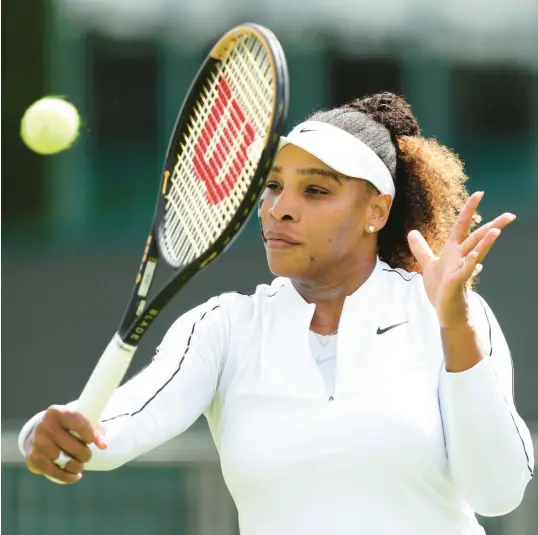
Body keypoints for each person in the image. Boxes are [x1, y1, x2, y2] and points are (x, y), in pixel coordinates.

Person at [19, 92, 534, 535]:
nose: (279, 208)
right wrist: (51, 434)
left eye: (314, 190)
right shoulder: (225, 327)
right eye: (272, 186)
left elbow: (498, 491)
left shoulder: (449, 315)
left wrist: (454, 325)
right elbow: (119, 425)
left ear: (376, 211)